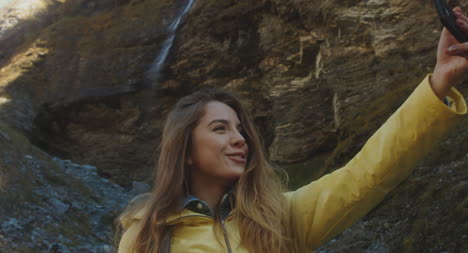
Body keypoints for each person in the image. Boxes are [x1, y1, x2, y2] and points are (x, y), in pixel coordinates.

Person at [117, 7, 468, 253]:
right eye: (220, 128)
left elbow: (367, 174)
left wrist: (437, 84)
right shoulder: (145, 237)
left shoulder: (280, 219)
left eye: (240, 130)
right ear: (186, 150)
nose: (240, 138)